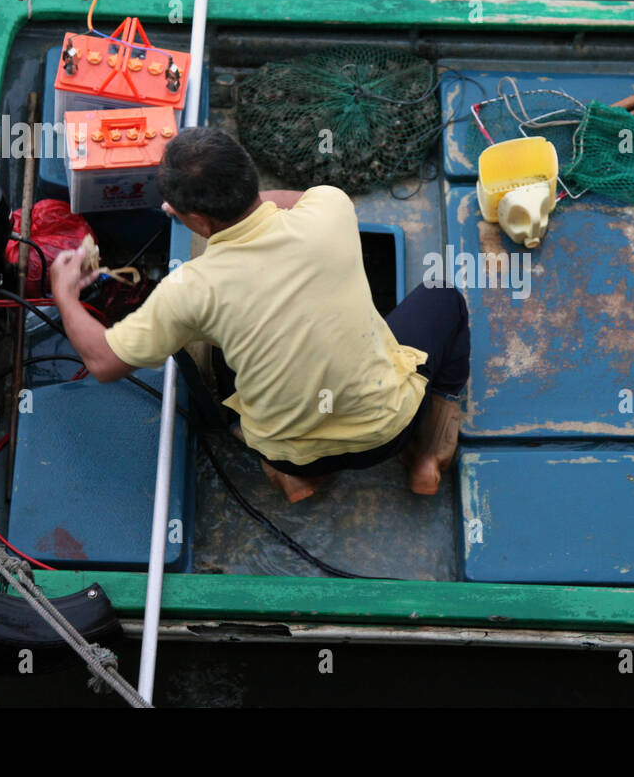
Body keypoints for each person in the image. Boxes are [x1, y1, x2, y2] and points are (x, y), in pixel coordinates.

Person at [49, 127, 469, 503]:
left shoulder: (188, 291)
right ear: (249, 173)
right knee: (444, 295)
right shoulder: (331, 208)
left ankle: (301, 481)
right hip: (387, 434)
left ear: (195, 218)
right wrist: (228, 208)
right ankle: (428, 455)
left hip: (291, 454)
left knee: (220, 355)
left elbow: (103, 362)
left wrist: (65, 293)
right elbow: (292, 201)